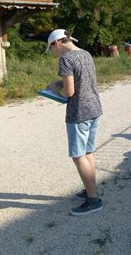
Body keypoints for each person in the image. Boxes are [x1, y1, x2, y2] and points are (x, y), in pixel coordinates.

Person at [46, 29, 103, 216]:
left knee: (78, 156)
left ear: (57, 43)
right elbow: (81, 80)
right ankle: (90, 188)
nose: (54, 53)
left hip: (78, 112)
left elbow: (69, 91)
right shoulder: (85, 53)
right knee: (88, 152)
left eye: (52, 49)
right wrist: (58, 83)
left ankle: (93, 199)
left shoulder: (66, 59)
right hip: (94, 108)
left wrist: (55, 91)